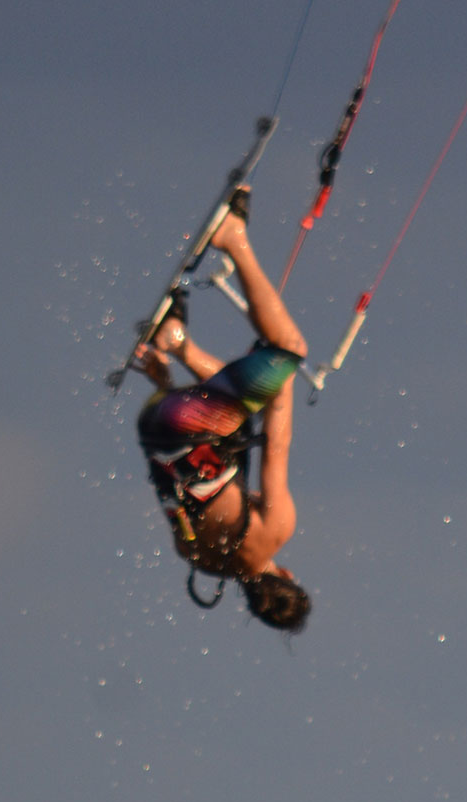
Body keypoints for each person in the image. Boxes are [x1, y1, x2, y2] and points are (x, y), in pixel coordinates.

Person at [134, 191, 312, 633]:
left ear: (288, 575)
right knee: (232, 426)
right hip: (156, 424)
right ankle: (174, 340)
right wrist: (163, 387)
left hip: (187, 424)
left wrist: (281, 384)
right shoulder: (198, 559)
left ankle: (232, 238)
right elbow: (174, 476)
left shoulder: (276, 529)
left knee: (289, 351)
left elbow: (276, 448)